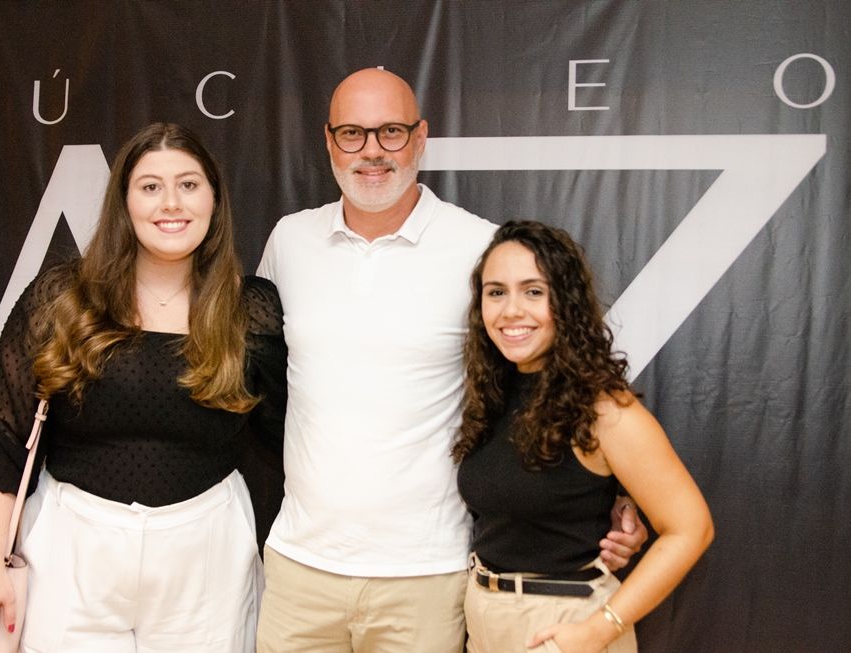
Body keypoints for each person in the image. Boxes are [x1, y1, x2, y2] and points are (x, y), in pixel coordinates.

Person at [254, 68, 648, 653]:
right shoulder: (290, 240)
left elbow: (560, 373)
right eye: (352, 134)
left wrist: (625, 491)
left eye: (390, 132)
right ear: (328, 141)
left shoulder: (478, 246)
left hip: (427, 575)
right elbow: (253, 373)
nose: (371, 152)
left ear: (420, 137)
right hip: (298, 569)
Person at [0, 122, 286, 653]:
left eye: (189, 185)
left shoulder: (252, 310)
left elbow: (293, 436)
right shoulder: (61, 298)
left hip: (206, 555)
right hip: (72, 550)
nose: (170, 203)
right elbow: (1, 437)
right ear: (124, 202)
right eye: (150, 186)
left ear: (215, 200)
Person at [454, 221, 714, 652]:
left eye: (534, 291)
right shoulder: (495, 393)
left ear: (566, 302)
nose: (511, 310)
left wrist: (598, 629)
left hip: (563, 625)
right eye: (496, 291)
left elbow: (691, 528)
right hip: (485, 617)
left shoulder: (604, 409)